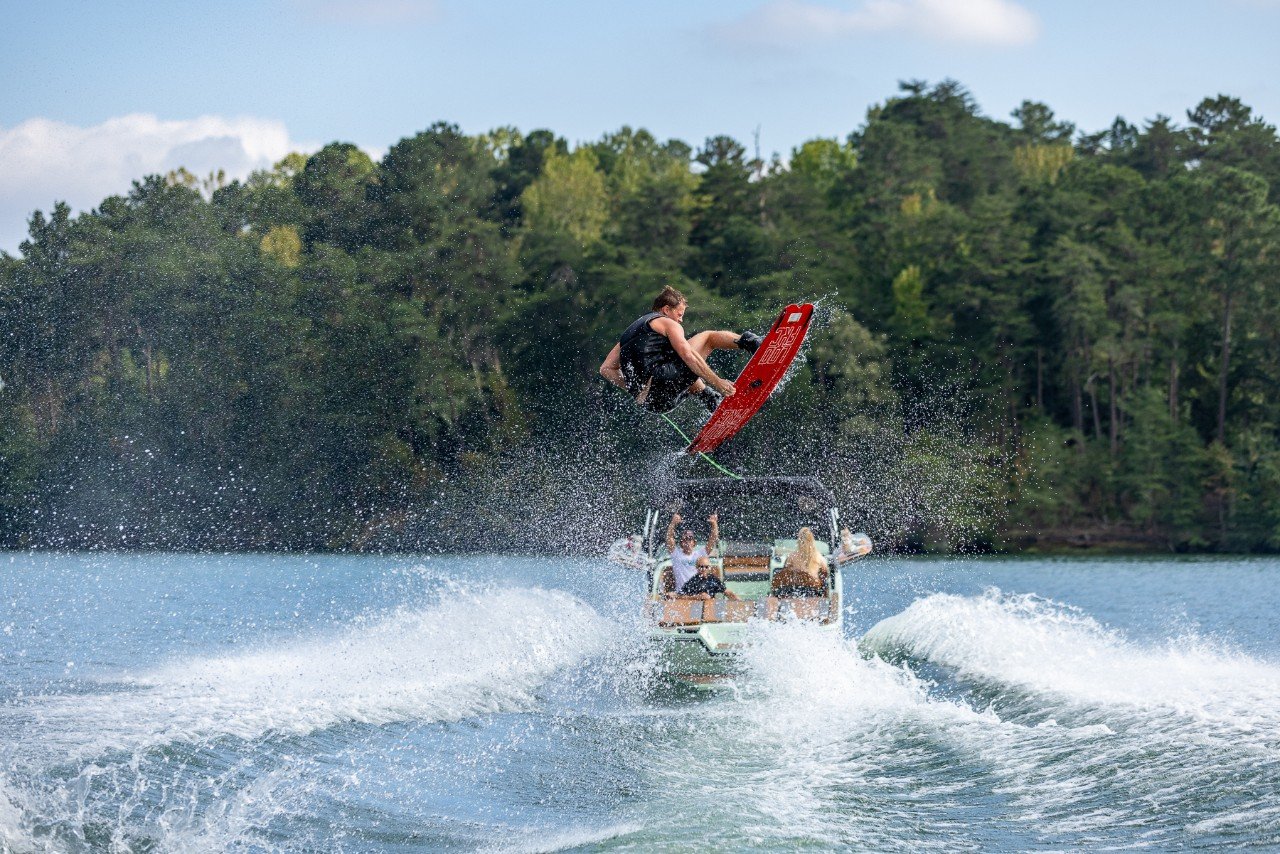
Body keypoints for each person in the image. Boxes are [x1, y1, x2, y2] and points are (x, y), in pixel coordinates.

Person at [599, 285, 763, 414]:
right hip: (663, 382)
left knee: (676, 362)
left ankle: (708, 397)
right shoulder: (665, 322)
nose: (681, 320)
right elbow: (688, 355)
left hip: (652, 403)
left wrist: (635, 388)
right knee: (708, 337)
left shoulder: (629, 335)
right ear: (666, 310)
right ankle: (752, 343)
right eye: (679, 314)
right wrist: (717, 382)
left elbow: (606, 369)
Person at [664, 511, 719, 593]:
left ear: (694, 543)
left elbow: (713, 539)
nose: (687, 542)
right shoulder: (676, 554)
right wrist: (673, 523)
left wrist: (714, 524)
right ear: (681, 543)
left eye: (690, 539)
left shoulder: (700, 554)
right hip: (681, 595)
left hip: (697, 594)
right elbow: (669, 538)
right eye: (684, 540)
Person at [770, 526, 829, 597]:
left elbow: (785, 575)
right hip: (812, 591)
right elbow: (824, 578)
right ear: (812, 541)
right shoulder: (820, 558)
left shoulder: (792, 557)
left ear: (798, 541)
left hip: (795, 590)